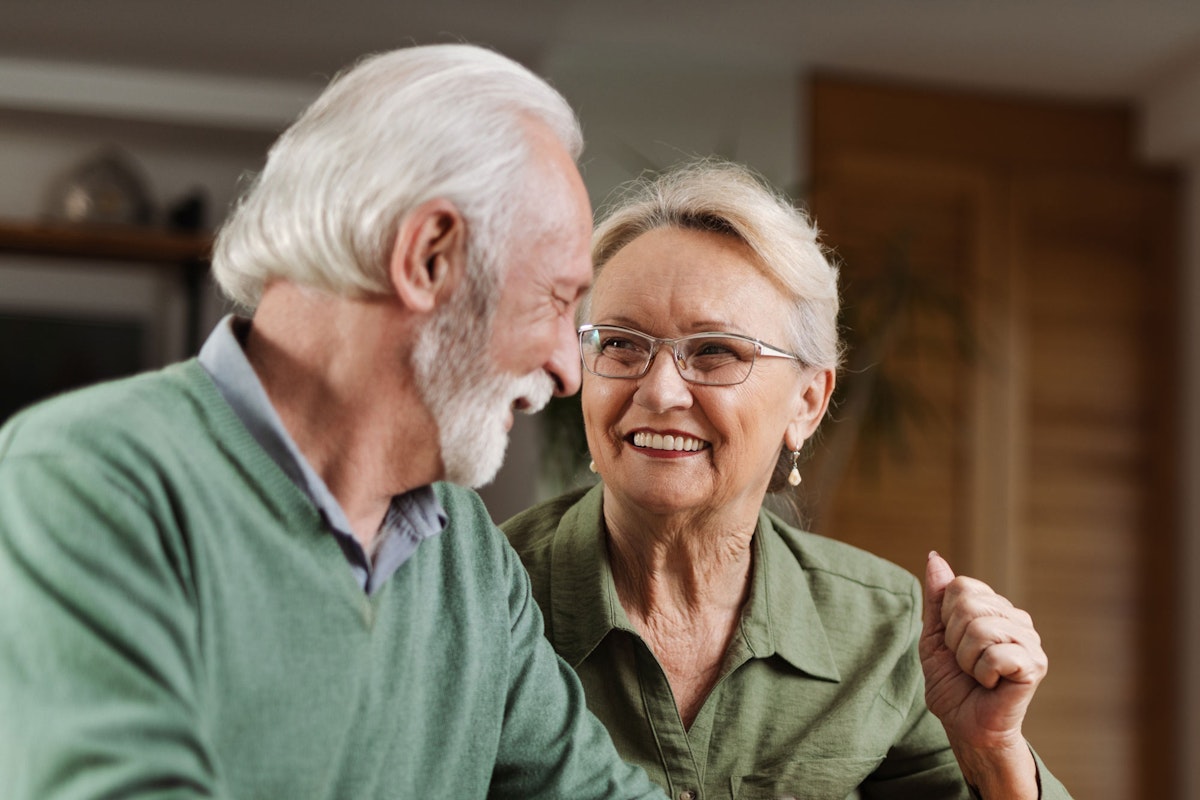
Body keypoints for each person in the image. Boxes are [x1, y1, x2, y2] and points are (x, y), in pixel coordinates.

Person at [0, 44, 669, 799]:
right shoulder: (85, 479)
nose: (566, 369)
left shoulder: (469, 558)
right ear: (429, 258)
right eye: (554, 300)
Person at [502, 158, 1073, 799]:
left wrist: (992, 752)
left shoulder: (882, 628)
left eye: (715, 351)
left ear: (806, 402)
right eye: (620, 344)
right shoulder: (484, 595)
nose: (659, 390)